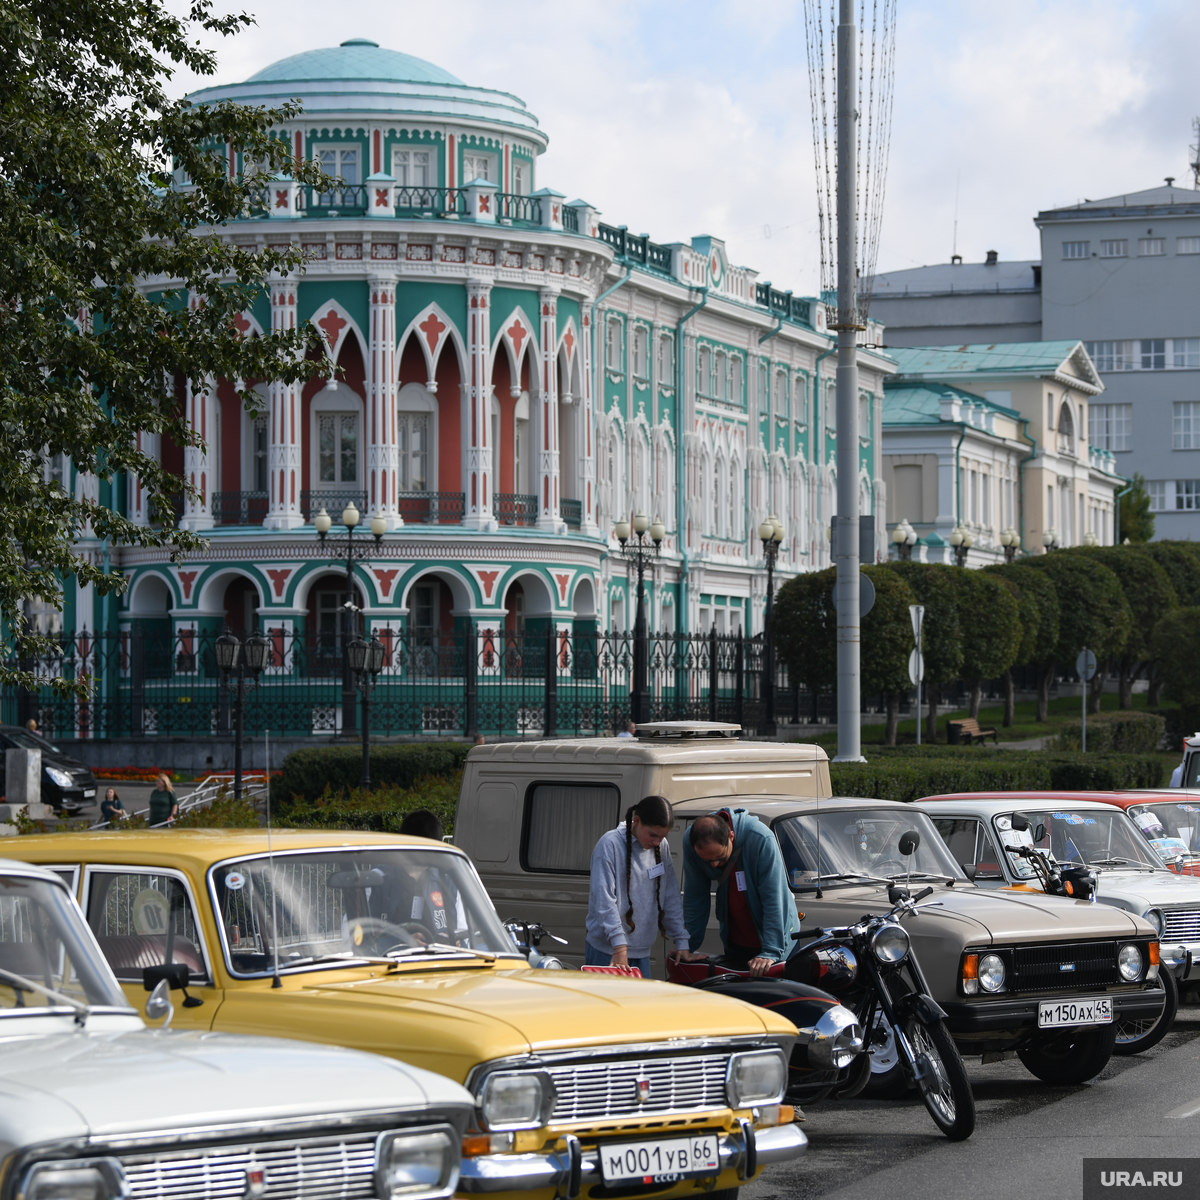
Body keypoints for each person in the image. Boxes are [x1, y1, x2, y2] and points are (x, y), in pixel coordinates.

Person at [682, 807, 800, 977]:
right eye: (707, 861)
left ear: (731, 837)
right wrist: (687, 945)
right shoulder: (691, 840)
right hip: (736, 942)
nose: (714, 865)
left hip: (778, 944)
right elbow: (695, 895)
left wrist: (771, 951)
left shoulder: (761, 839)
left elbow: (774, 898)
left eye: (720, 858)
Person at [585, 795, 691, 978]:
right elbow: (604, 900)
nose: (657, 842)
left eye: (662, 837)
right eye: (652, 835)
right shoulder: (609, 844)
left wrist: (681, 939)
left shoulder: (661, 846)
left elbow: (670, 894)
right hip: (608, 950)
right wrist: (619, 945)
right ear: (636, 821)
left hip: (641, 951)